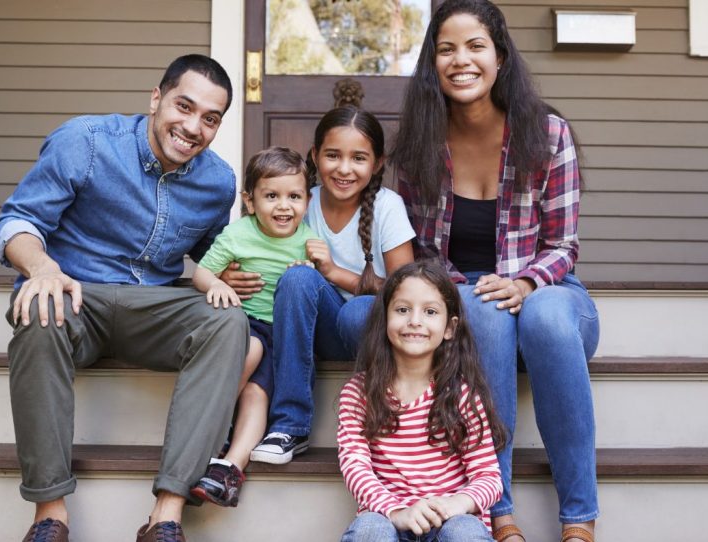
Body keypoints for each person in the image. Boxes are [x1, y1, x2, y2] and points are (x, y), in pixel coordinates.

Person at [340, 2, 601, 541]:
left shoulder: (549, 133)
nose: (462, 60)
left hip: (549, 289)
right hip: (463, 293)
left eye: (476, 46)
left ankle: (579, 520)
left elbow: (564, 244)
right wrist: (459, 290)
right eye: (446, 48)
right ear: (432, 63)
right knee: (483, 314)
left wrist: (526, 282)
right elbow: (421, 255)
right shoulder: (418, 147)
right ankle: (497, 512)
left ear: (500, 57)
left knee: (546, 320)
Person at [0, 54, 247, 542]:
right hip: (75, 298)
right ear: (156, 99)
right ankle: (50, 514)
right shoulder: (86, 142)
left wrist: (238, 273)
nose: (193, 127)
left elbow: (210, 255)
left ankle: (166, 516)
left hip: (152, 309)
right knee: (36, 308)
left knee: (228, 322)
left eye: (210, 119)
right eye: (184, 106)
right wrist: (42, 268)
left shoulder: (218, 182)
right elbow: (17, 222)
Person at [227, 96, 416, 465]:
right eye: (333, 155)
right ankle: (289, 427)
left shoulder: (387, 207)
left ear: (377, 163)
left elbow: (407, 290)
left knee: (359, 311)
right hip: (308, 328)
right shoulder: (296, 200)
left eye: (358, 158)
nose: (344, 168)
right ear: (314, 156)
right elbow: (250, 246)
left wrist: (334, 274)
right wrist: (228, 275)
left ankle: (381, 423)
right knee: (298, 279)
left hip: (367, 333)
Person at [337, 261, 506, 542]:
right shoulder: (360, 393)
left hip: (449, 520)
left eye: (430, 312)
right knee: (369, 530)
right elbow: (355, 466)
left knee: (465, 531)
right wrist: (397, 510)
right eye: (403, 310)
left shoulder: (462, 394)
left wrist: (458, 504)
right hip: (389, 517)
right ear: (385, 319)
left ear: (450, 327)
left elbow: (488, 477)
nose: (415, 320)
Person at [189, 146, 318, 506]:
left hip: (283, 337)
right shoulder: (237, 235)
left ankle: (228, 470)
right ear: (249, 201)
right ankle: (210, 435)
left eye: (294, 196)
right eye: (271, 196)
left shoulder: (308, 240)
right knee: (251, 354)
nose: (283, 206)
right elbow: (202, 272)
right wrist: (216, 284)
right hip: (242, 325)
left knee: (257, 395)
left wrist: (315, 268)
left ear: (306, 201)